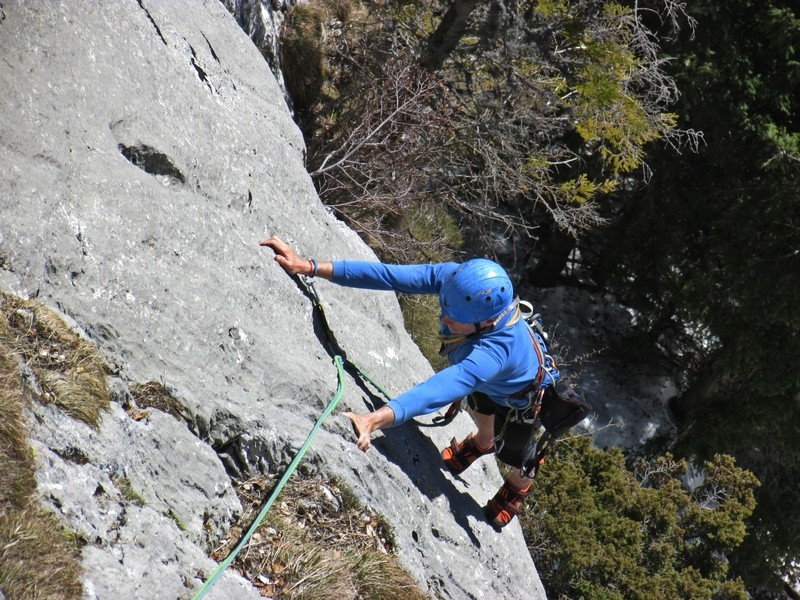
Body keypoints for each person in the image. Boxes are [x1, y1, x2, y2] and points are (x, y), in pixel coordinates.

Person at [260, 235, 554, 529]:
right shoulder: (458, 282)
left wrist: (373, 420)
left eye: (455, 319)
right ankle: (483, 442)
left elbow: (437, 390)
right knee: (481, 405)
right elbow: (389, 275)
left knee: (519, 455)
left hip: (525, 397)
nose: (446, 319)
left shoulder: (493, 353)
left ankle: (517, 488)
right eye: (447, 310)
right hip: (494, 383)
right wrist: (308, 266)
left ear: (487, 323)